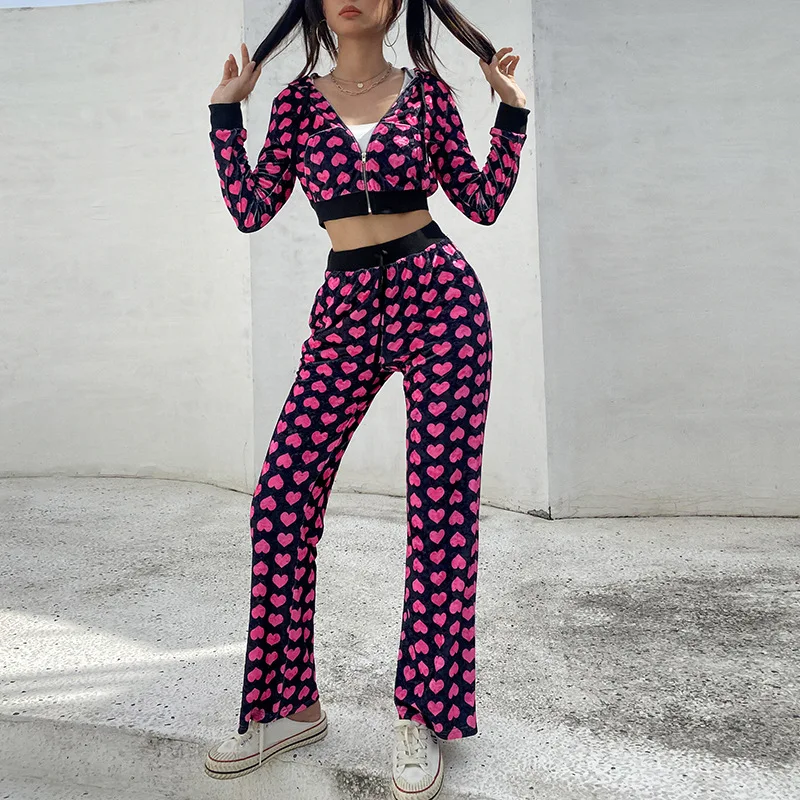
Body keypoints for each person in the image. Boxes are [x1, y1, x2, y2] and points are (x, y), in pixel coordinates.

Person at [203, 1, 529, 797]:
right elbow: (251, 208)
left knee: (439, 508)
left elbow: (482, 201)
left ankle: (422, 713)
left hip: (441, 300)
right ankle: (288, 706)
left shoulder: (427, 95)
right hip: (346, 305)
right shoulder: (296, 105)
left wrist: (512, 115)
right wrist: (225, 114)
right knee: (281, 496)